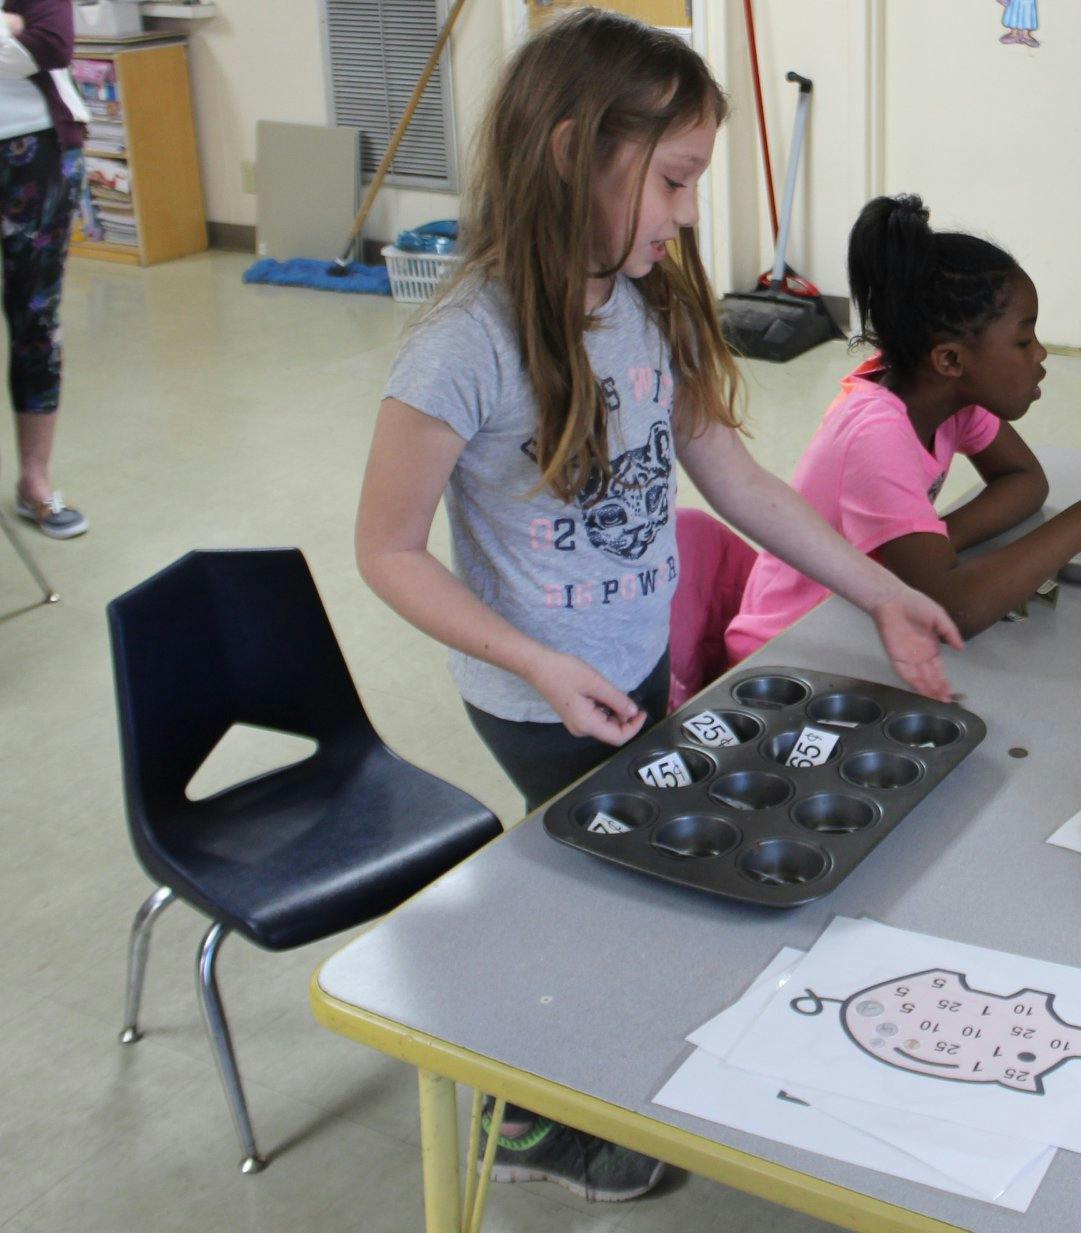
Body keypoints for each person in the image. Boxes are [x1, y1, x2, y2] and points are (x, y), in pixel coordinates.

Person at [355, 10, 961, 1202]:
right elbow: (387, 551)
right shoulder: (461, 350)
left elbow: (733, 476)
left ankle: (569, 1074)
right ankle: (526, 1117)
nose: (689, 214)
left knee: (611, 884)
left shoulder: (642, 303)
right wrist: (531, 662)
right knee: (596, 894)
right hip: (536, 696)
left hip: (622, 670)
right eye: (676, 180)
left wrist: (884, 591)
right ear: (576, 151)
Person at [723, 194, 1081, 662]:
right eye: (1023, 340)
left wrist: (934, 542)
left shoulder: (948, 394)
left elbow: (1026, 482)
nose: (1040, 355)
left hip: (856, 624)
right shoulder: (877, 435)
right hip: (787, 649)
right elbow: (955, 609)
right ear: (950, 359)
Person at [1, 0, 89, 537]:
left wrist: (25, 33)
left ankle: (34, 481)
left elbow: (53, 43)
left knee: (35, 320)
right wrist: (10, 29)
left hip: (36, 149)